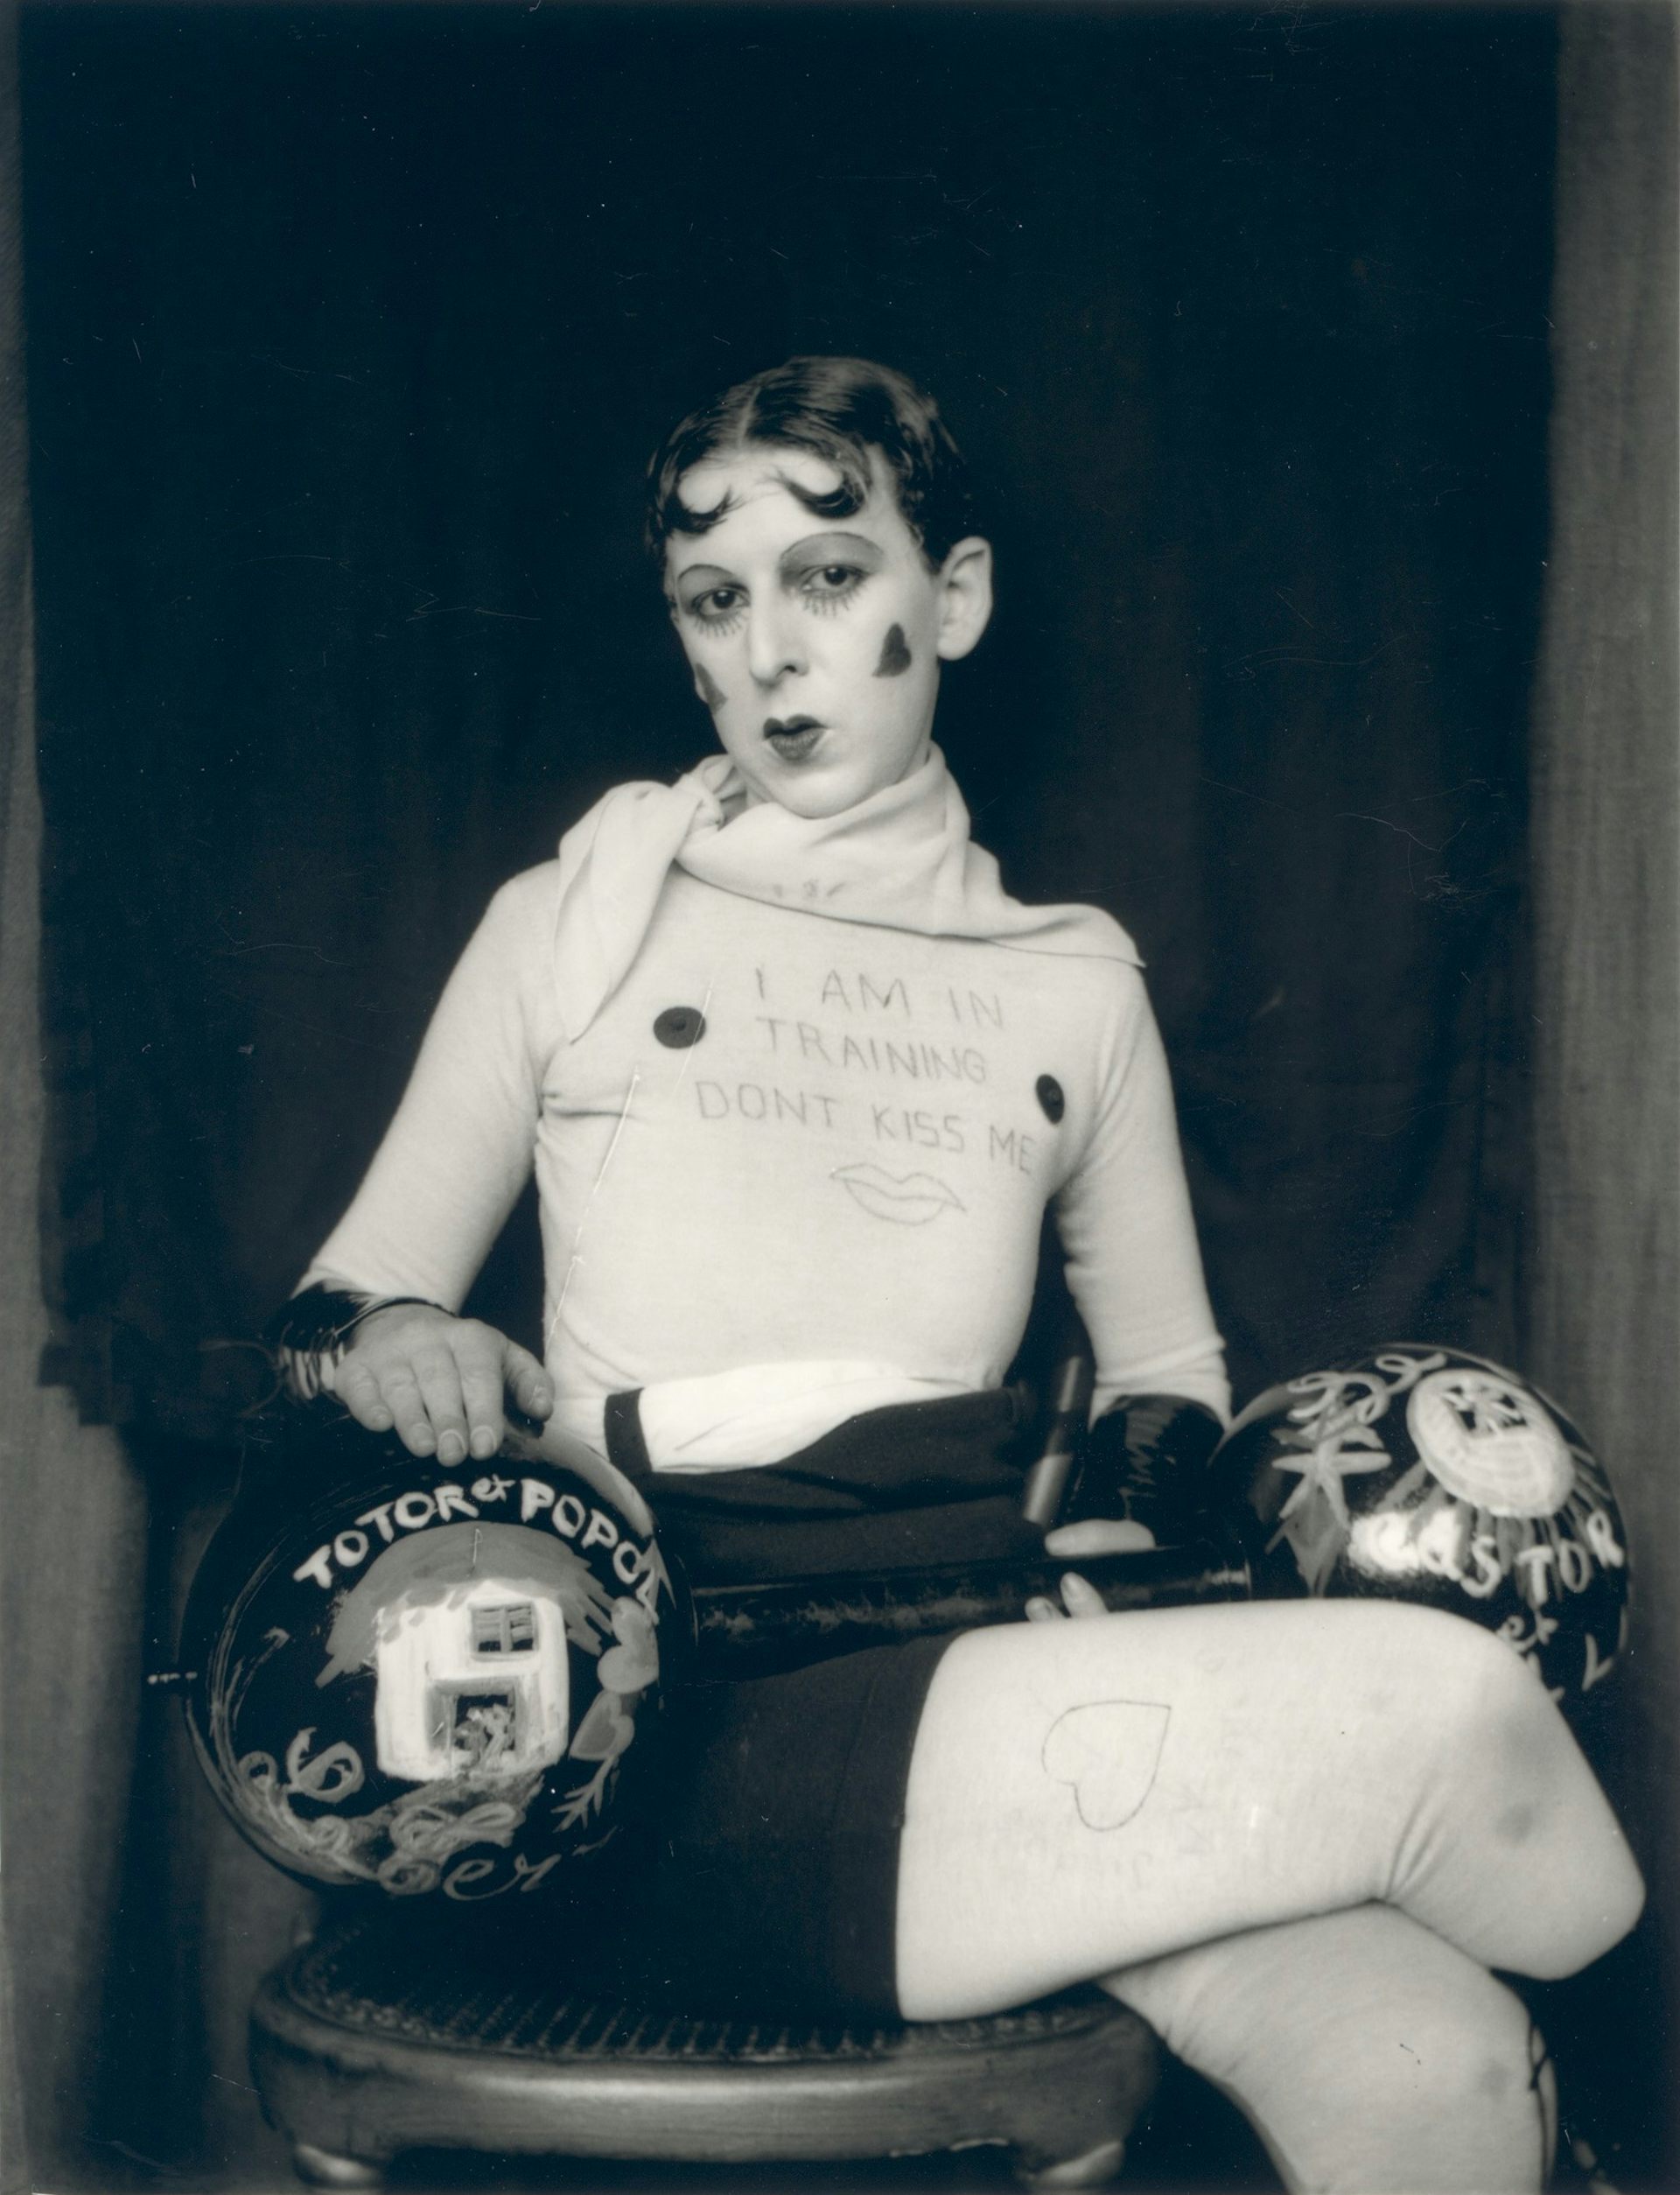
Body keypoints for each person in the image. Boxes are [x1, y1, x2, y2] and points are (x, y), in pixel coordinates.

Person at [275, 357, 1642, 2192]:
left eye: (831, 577)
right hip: (666, 1730)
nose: (773, 650)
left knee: (1440, 2065)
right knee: (1458, 1709)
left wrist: (1121, 1540)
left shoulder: (1076, 979)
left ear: (958, 595)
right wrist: (401, 1339)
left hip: (992, 1689)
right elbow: (328, 1316)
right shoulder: (570, 919)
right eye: (715, 599)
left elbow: (1166, 1386)